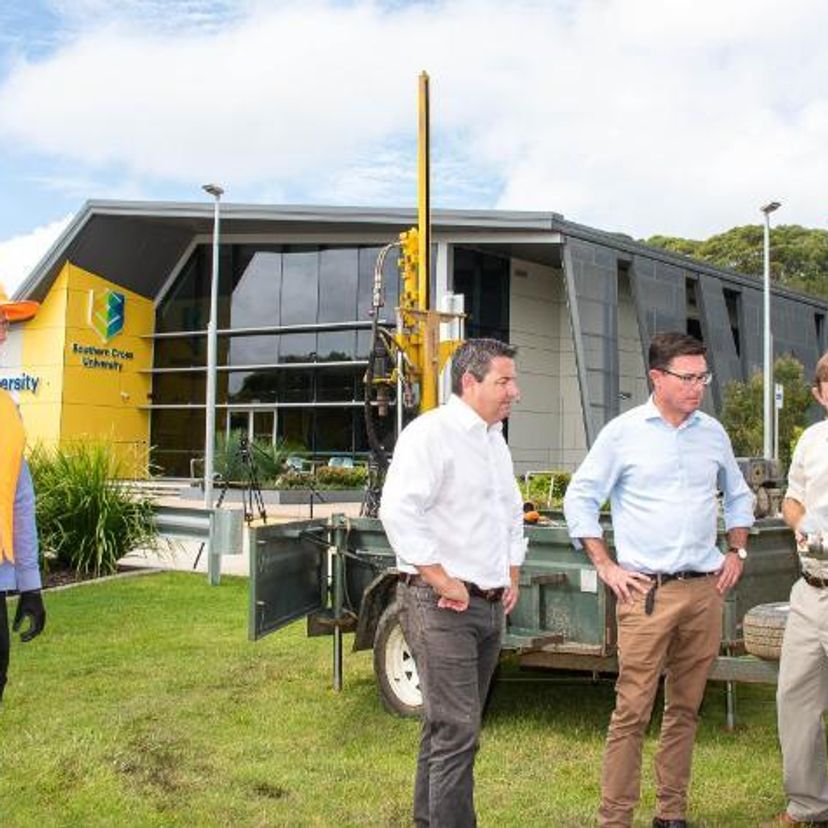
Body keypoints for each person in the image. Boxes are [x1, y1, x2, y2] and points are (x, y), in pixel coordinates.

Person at [563, 331, 754, 828]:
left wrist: (737, 548)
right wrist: (605, 565)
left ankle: (672, 814)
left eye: (702, 377)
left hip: (704, 590)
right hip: (646, 594)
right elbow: (580, 499)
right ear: (656, 377)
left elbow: (738, 494)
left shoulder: (712, 432)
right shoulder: (623, 433)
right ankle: (616, 818)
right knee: (631, 711)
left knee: (686, 709)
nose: (697, 387)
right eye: (687, 378)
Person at [379, 337, 526, 827]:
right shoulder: (430, 435)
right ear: (470, 382)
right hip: (440, 606)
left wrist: (512, 571)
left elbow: (509, 512)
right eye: (504, 381)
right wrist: (442, 580)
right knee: (459, 729)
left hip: (486, 605)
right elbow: (398, 511)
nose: (515, 392)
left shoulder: (493, 441)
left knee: (447, 728)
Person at [776, 352, 828, 827]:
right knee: (795, 699)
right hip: (811, 589)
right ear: (819, 393)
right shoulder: (811, 440)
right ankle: (808, 805)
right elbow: (792, 498)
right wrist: (800, 523)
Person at [0, 290, 46, 706]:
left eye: (4, 324)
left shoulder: (7, 408)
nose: (3, 333)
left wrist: (30, 585)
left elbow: (19, 499)